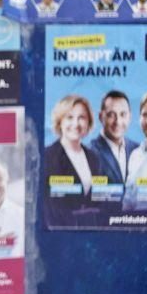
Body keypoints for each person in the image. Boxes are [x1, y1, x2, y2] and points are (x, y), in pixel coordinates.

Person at [42, 95, 105, 226]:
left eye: (81, 117)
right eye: (69, 117)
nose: (76, 124)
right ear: (60, 122)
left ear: (88, 123)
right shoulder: (47, 156)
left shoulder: (94, 158)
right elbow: (49, 209)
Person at [89, 90, 138, 185]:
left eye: (123, 114)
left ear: (130, 117)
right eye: (111, 115)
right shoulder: (89, 153)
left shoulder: (138, 150)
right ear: (101, 117)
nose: (118, 122)